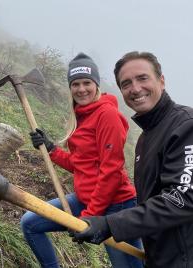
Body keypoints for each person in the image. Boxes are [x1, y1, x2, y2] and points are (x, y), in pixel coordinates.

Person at [71, 51, 193, 268]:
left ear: (161, 81)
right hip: (165, 259)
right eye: (126, 84)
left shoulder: (190, 126)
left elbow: (182, 199)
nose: (135, 89)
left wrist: (110, 224)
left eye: (142, 78)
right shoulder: (146, 139)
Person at [20, 52, 144, 268]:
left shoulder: (107, 115)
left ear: (96, 84)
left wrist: (89, 216)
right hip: (87, 199)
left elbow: (111, 172)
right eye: (75, 84)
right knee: (30, 223)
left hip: (117, 206)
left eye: (87, 82)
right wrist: (51, 149)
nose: (81, 89)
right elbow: (81, 165)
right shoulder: (82, 114)